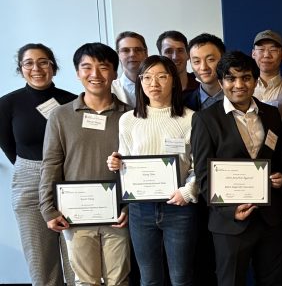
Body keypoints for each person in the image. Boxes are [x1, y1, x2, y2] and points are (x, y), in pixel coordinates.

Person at [191, 51, 282, 286]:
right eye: (231, 78)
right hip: (230, 222)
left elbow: (281, 158)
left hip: (269, 219)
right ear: (221, 82)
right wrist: (229, 210)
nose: (239, 85)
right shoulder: (206, 119)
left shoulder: (272, 114)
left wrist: (280, 177)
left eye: (245, 78)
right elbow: (203, 176)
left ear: (255, 81)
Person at [38, 42, 132, 286]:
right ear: (78, 72)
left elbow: (138, 166)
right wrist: (48, 208)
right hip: (74, 215)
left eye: (103, 67)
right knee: (85, 281)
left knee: (119, 280)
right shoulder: (61, 116)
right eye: (87, 67)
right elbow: (51, 164)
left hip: (118, 214)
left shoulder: (131, 116)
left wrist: (130, 208)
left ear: (114, 72)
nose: (95, 75)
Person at [106, 55, 198, 285]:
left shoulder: (190, 119)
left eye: (161, 76)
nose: (153, 83)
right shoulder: (128, 120)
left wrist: (188, 192)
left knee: (181, 278)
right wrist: (116, 163)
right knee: (149, 279)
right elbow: (125, 160)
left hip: (179, 208)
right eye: (146, 77)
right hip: (140, 210)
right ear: (140, 82)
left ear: (174, 81)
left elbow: (199, 165)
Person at [0, 44, 77, 286]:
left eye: (43, 62)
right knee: (40, 260)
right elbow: (8, 146)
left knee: (76, 257)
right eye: (29, 63)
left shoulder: (72, 101)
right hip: (29, 182)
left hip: (69, 180)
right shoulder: (7, 104)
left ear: (53, 66)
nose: (36, 68)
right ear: (20, 68)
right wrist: (37, 169)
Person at [252, 29, 282, 117]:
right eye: (261, 49)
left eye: (273, 50)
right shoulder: (244, 88)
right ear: (253, 54)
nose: (266, 55)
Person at [184, 33, 225, 110]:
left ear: (223, 60)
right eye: (196, 61)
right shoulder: (184, 105)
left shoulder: (240, 99)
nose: (203, 67)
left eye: (210, 60)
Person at [112, 31, 149, 107]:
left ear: (146, 53)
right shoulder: (110, 89)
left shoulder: (159, 85)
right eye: (126, 50)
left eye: (138, 50)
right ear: (118, 54)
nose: (132, 54)